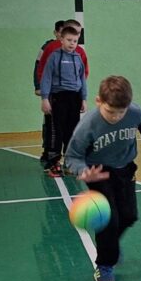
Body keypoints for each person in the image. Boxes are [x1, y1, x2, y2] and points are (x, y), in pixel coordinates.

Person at [65, 75, 141, 281]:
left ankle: (111, 247)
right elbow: (72, 157)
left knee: (129, 216)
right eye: (110, 111)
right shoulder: (88, 125)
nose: (116, 117)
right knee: (109, 221)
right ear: (98, 101)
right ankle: (104, 264)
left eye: (121, 112)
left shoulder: (134, 112)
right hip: (98, 173)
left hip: (125, 168)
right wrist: (83, 172)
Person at [39, 25, 88, 176]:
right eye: (69, 40)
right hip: (58, 98)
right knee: (56, 131)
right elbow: (46, 78)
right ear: (61, 39)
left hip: (74, 98)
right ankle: (54, 163)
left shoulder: (78, 58)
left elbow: (82, 80)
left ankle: (69, 163)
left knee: (72, 131)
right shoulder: (54, 57)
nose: (72, 43)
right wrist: (45, 98)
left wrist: (83, 99)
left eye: (75, 41)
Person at [34, 19, 66, 165]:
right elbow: (38, 66)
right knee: (50, 123)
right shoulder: (48, 47)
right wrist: (38, 86)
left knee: (65, 124)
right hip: (51, 91)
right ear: (55, 33)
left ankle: (66, 155)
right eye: (61, 32)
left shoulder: (71, 50)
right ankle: (48, 152)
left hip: (66, 93)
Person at [36, 19, 89, 88]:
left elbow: (84, 72)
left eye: (79, 32)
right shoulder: (50, 47)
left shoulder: (80, 51)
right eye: (73, 31)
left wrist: (79, 86)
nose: (77, 35)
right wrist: (41, 86)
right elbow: (41, 67)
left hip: (73, 89)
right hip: (53, 89)